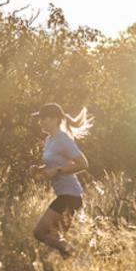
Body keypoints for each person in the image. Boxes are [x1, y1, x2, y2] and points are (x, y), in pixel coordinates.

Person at [31, 103, 91, 259]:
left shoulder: (64, 140)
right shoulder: (49, 140)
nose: (40, 122)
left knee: (39, 232)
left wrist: (57, 170)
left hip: (70, 196)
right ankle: (80, 264)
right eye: (39, 119)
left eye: (44, 118)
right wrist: (39, 169)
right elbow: (53, 164)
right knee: (56, 238)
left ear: (55, 119)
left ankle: (82, 257)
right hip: (65, 195)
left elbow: (83, 164)